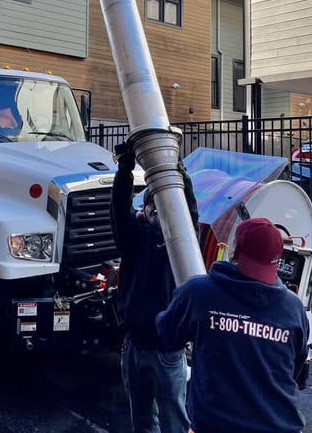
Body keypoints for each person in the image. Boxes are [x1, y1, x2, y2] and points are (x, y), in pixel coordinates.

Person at [155, 217, 310, 433]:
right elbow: (296, 365)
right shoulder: (293, 307)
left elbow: (167, 333)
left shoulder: (199, 293)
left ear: (234, 251)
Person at [111, 141, 196, 433]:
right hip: (134, 346)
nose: (157, 209)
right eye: (152, 203)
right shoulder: (135, 238)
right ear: (145, 208)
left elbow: (189, 213)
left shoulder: (181, 243)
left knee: (174, 422)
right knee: (143, 422)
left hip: (167, 351)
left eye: (163, 204)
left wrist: (179, 172)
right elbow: (119, 213)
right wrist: (124, 168)